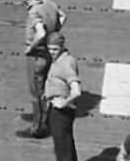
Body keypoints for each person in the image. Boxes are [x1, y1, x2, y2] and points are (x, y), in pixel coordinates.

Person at [17, 0, 66, 137]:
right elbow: (63, 16)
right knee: (45, 87)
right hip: (48, 53)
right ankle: (43, 116)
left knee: (36, 92)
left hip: (37, 55)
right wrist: (55, 32)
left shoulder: (33, 11)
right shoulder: (48, 3)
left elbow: (41, 32)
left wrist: (31, 47)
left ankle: (38, 127)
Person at [41, 30, 81, 161]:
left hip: (61, 111)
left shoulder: (65, 63)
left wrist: (63, 103)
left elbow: (76, 90)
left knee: (62, 148)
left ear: (62, 46)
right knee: (66, 145)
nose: (52, 52)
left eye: (55, 49)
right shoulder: (60, 59)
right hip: (56, 108)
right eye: (50, 49)